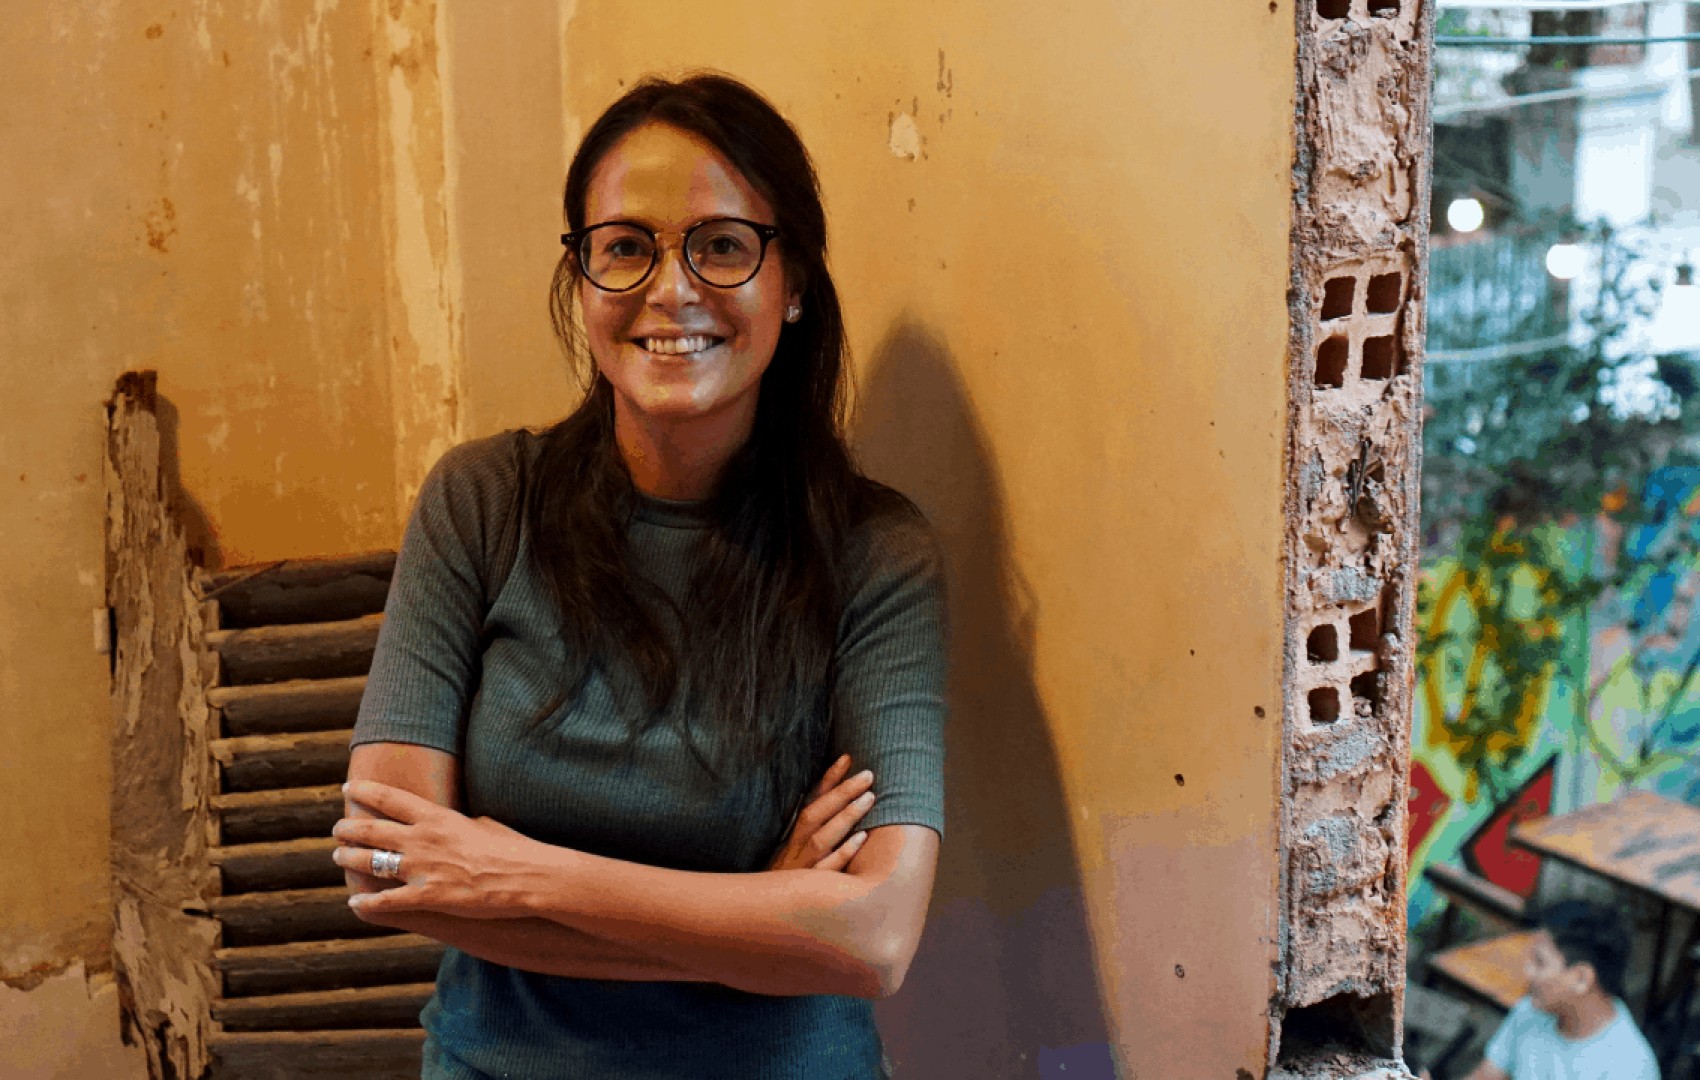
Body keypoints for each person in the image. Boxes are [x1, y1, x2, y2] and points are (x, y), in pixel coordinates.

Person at [333, 72, 948, 1080]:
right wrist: (762, 920)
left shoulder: (874, 552)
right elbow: (387, 868)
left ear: (792, 284)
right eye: (624, 246)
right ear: (581, 280)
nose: (670, 290)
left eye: (722, 245)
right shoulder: (483, 502)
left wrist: (518, 873)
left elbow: (875, 938)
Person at [1458, 899, 1660, 1080]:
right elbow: (1486, 1075)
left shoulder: (1629, 1069)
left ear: (1581, 978)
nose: (1528, 971)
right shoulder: (1530, 1010)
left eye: (1540, 962)